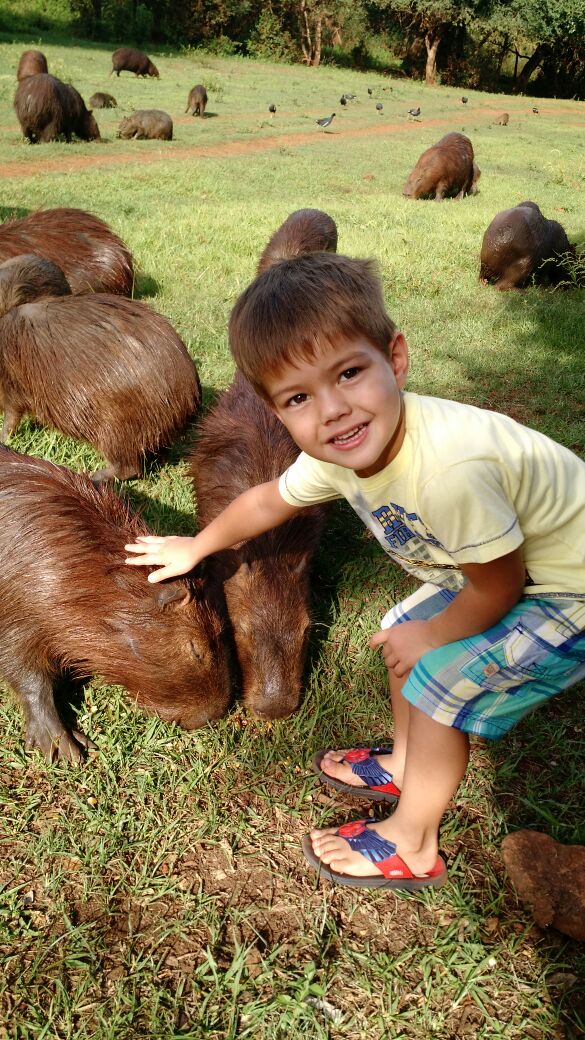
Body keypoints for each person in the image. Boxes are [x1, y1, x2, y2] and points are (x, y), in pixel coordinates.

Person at [125, 252, 585, 890]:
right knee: (403, 627)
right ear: (276, 413)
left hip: (567, 590)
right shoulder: (340, 453)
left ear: (395, 358)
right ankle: (403, 761)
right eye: (299, 397)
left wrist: (432, 640)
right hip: (501, 567)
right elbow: (267, 501)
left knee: (438, 680)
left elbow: (498, 587)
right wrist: (197, 546)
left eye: (348, 373)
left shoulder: (450, 471)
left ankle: (413, 840)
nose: (333, 409)